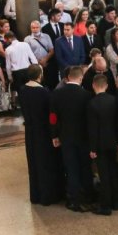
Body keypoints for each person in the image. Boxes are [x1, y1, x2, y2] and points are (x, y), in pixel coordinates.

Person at [51, 65, 93, 212]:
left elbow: (53, 117)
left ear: (67, 78)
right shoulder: (87, 95)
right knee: (85, 167)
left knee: (71, 168)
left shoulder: (56, 94)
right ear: (81, 78)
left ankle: (74, 199)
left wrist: (55, 135)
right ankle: (88, 196)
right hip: (83, 137)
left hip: (65, 137)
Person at [19, 65, 61, 205]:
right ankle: (47, 196)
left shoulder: (23, 90)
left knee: (34, 162)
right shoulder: (44, 92)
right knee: (45, 163)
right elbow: (50, 114)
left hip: (30, 131)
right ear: (39, 75)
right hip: (43, 132)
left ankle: (35, 195)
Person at [86, 74, 118, 216]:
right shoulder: (114, 100)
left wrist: (92, 148)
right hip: (113, 142)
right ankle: (115, 202)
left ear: (93, 85)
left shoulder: (91, 104)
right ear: (106, 86)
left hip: (99, 144)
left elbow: (92, 129)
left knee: (103, 175)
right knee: (113, 172)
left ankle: (105, 206)